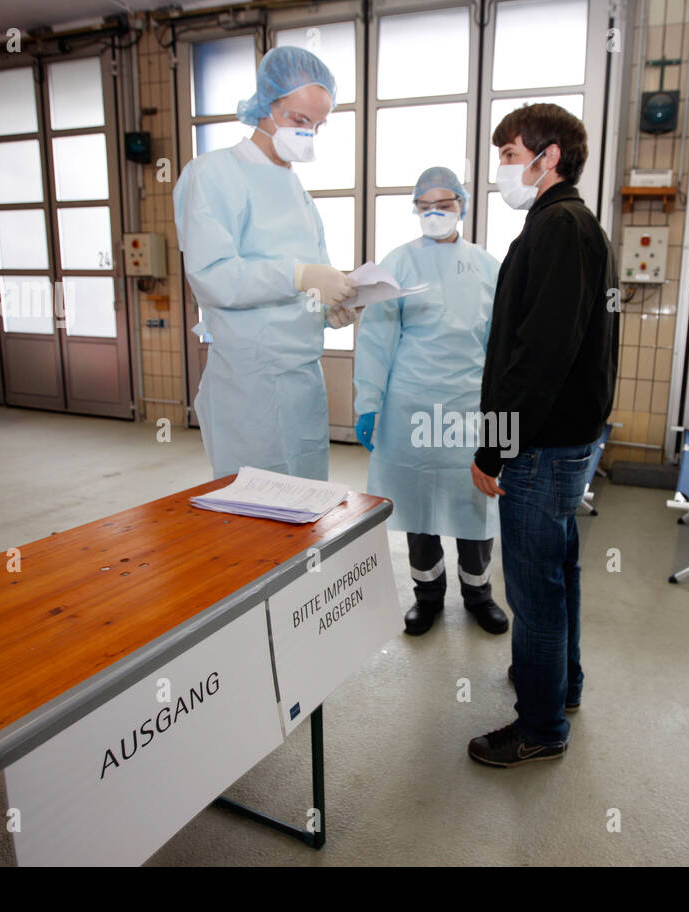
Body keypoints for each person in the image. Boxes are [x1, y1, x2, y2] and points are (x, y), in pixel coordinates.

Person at [466, 104, 618, 768]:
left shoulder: (557, 228)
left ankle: (539, 726)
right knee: (559, 571)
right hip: (567, 438)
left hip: (540, 444)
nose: (501, 167)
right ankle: (562, 686)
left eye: (507, 154)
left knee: (533, 588)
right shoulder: (567, 226)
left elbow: (539, 354)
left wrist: (494, 444)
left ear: (547, 156)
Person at [173, 46, 358, 481]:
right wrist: (297, 276)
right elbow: (213, 276)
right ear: (266, 105)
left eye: (317, 125)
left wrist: (332, 307)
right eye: (298, 120)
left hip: (303, 379)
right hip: (249, 382)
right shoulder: (213, 174)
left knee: (307, 500)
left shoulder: (296, 191)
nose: (308, 132)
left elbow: (314, 278)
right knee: (256, 507)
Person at [353, 168, 509, 637]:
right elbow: (377, 336)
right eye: (426, 206)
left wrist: (504, 421)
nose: (436, 213)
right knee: (418, 504)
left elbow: (501, 347)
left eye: (445, 204)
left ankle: (478, 593)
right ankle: (428, 595)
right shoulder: (397, 263)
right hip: (411, 402)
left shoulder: (488, 266)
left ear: (463, 205)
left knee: (473, 502)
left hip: (471, 406)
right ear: (415, 210)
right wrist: (368, 402)